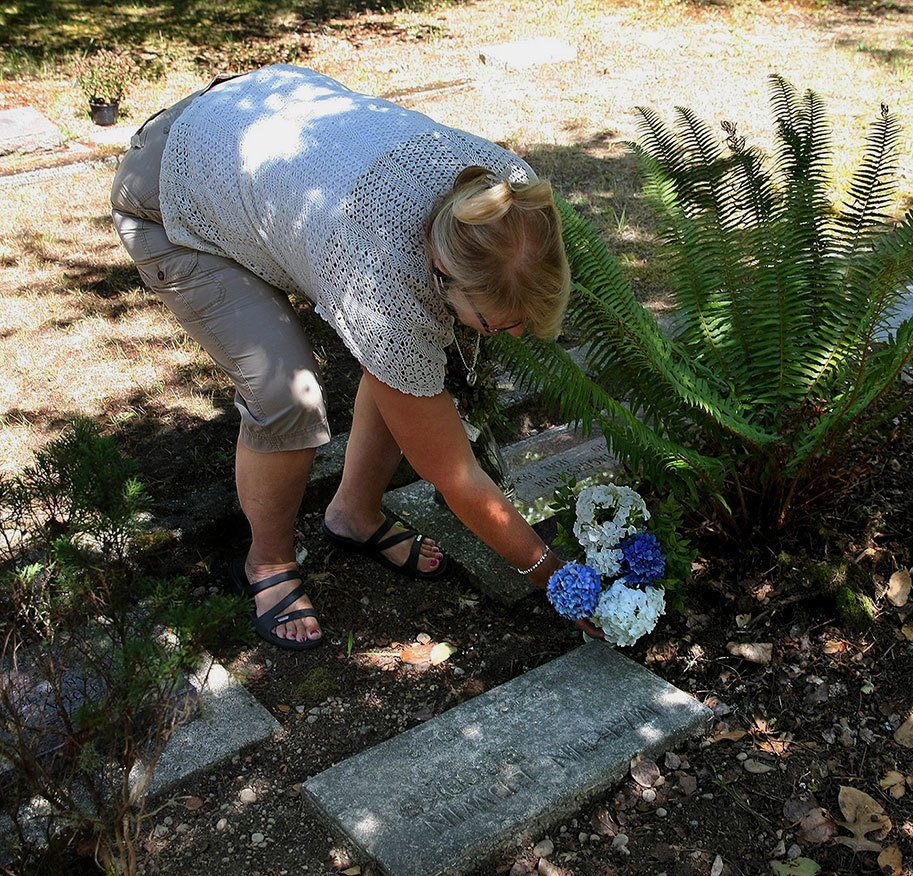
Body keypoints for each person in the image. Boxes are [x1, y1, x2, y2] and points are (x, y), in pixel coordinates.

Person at [110, 65, 591, 649]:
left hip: (265, 124)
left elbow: (404, 375)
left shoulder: (511, 200)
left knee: (402, 366)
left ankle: (354, 515)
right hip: (172, 186)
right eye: (499, 325)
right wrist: (558, 577)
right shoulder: (388, 279)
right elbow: (458, 477)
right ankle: (266, 562)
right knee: (286, 395)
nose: (511, 337)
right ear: (442, 271)